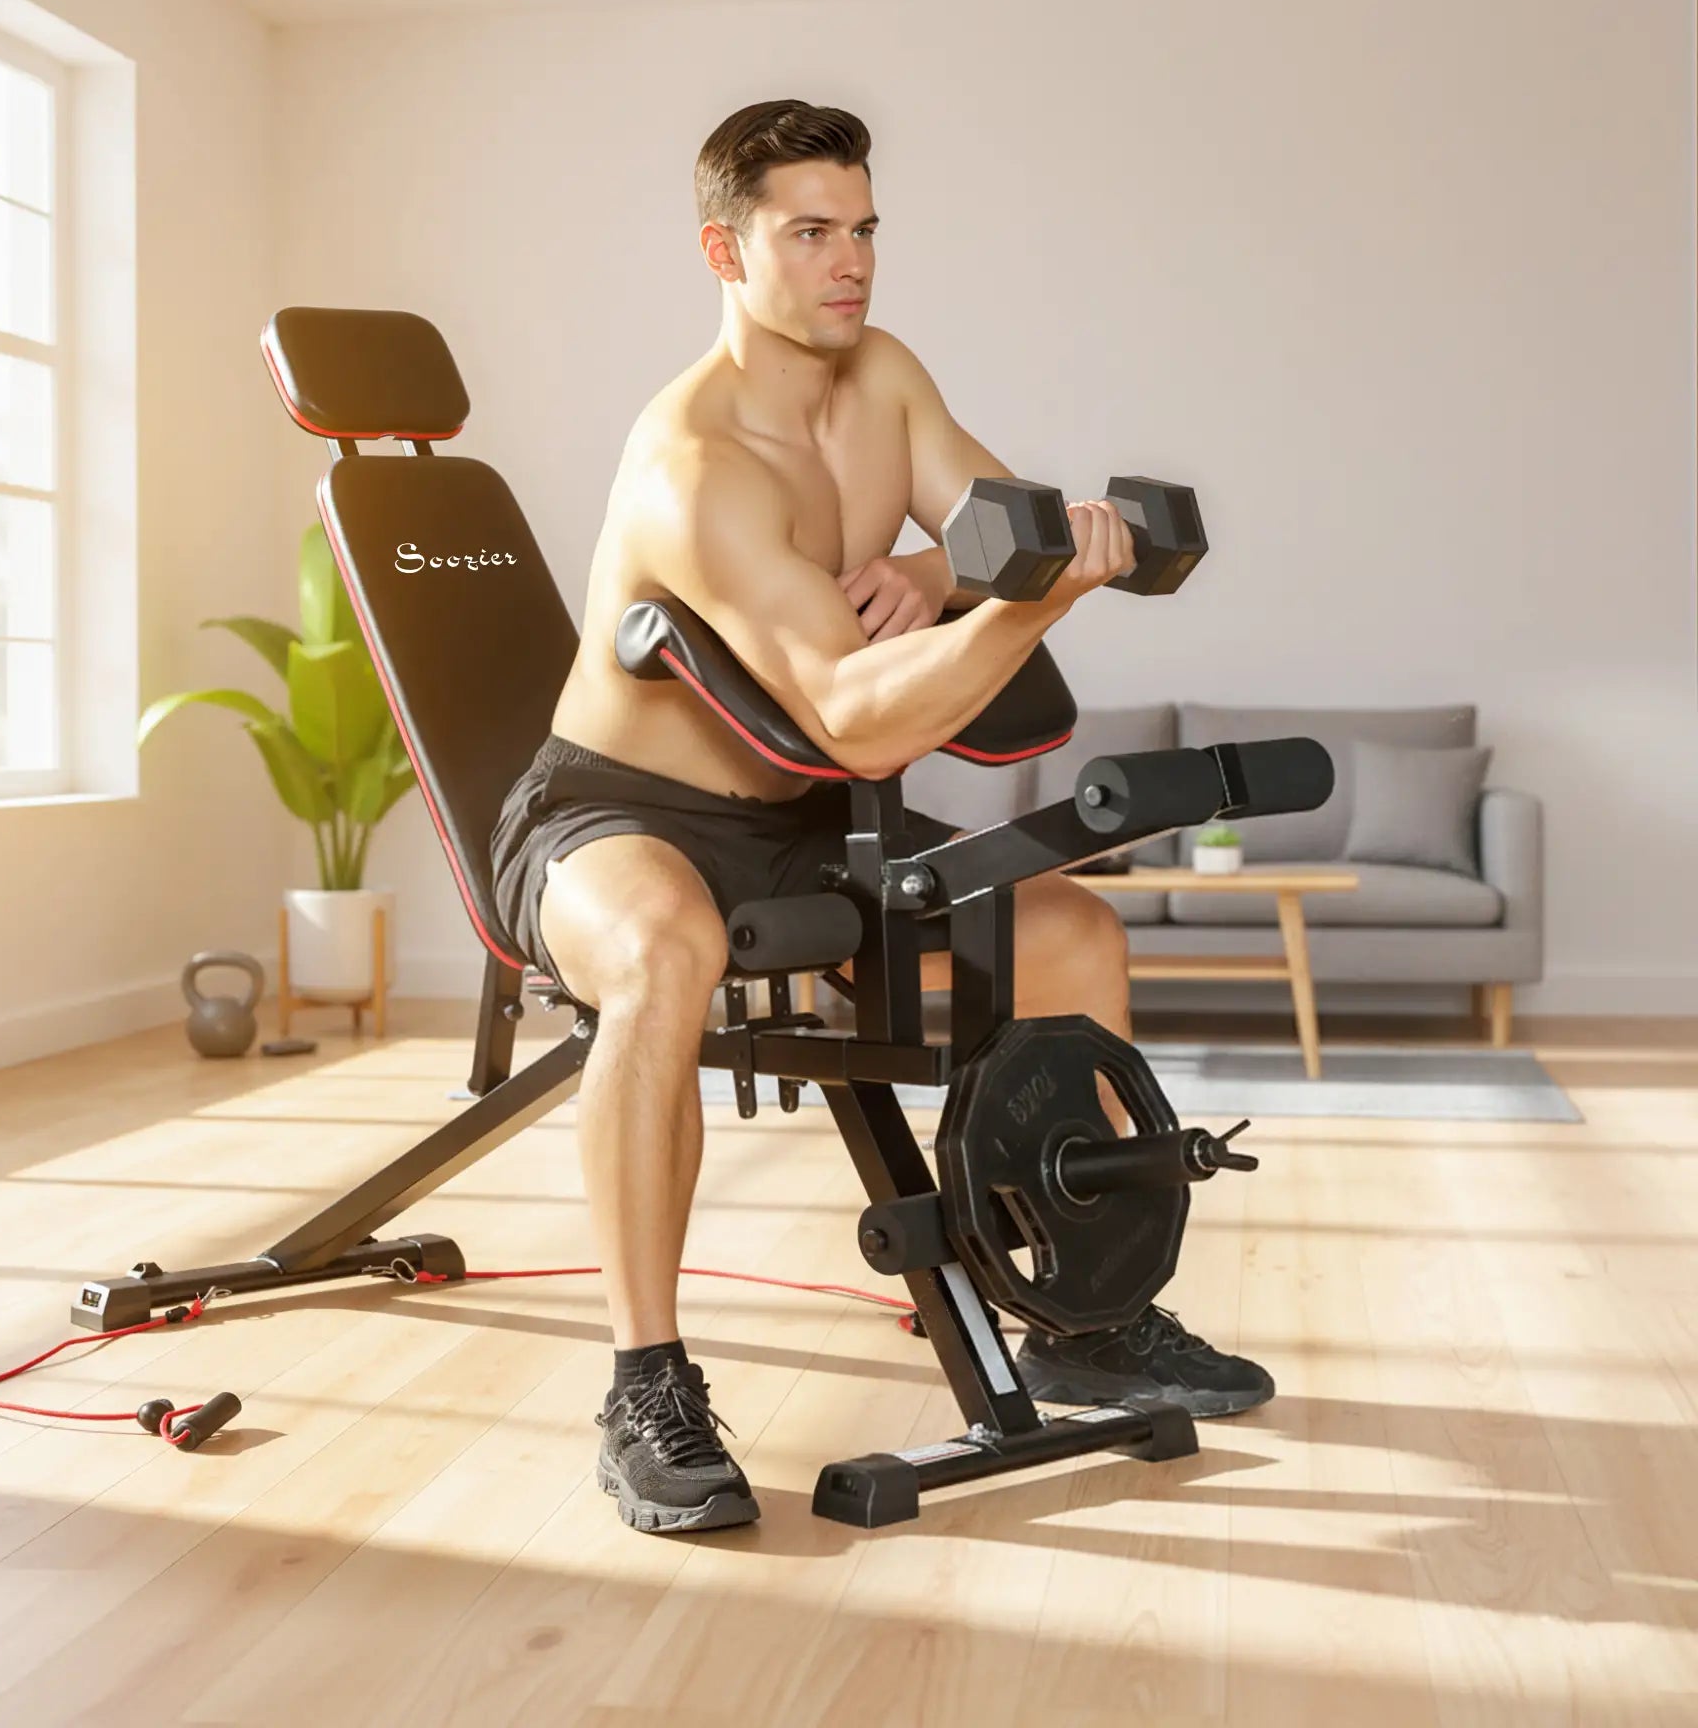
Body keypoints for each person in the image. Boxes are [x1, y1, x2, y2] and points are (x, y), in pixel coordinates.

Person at [490, 99, 1270, 1536]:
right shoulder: (694, 467)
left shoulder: (885, 379)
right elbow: (854, 711)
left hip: (805, 817)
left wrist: (939, 571)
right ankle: (645, 1384)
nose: (849, 262)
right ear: (724, 251)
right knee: (664, 950)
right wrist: (1033, 598)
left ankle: (1087, 1317)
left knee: (1074, 940)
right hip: (616, 817)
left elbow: (997, 530)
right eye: (809, 234)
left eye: (862, 230)